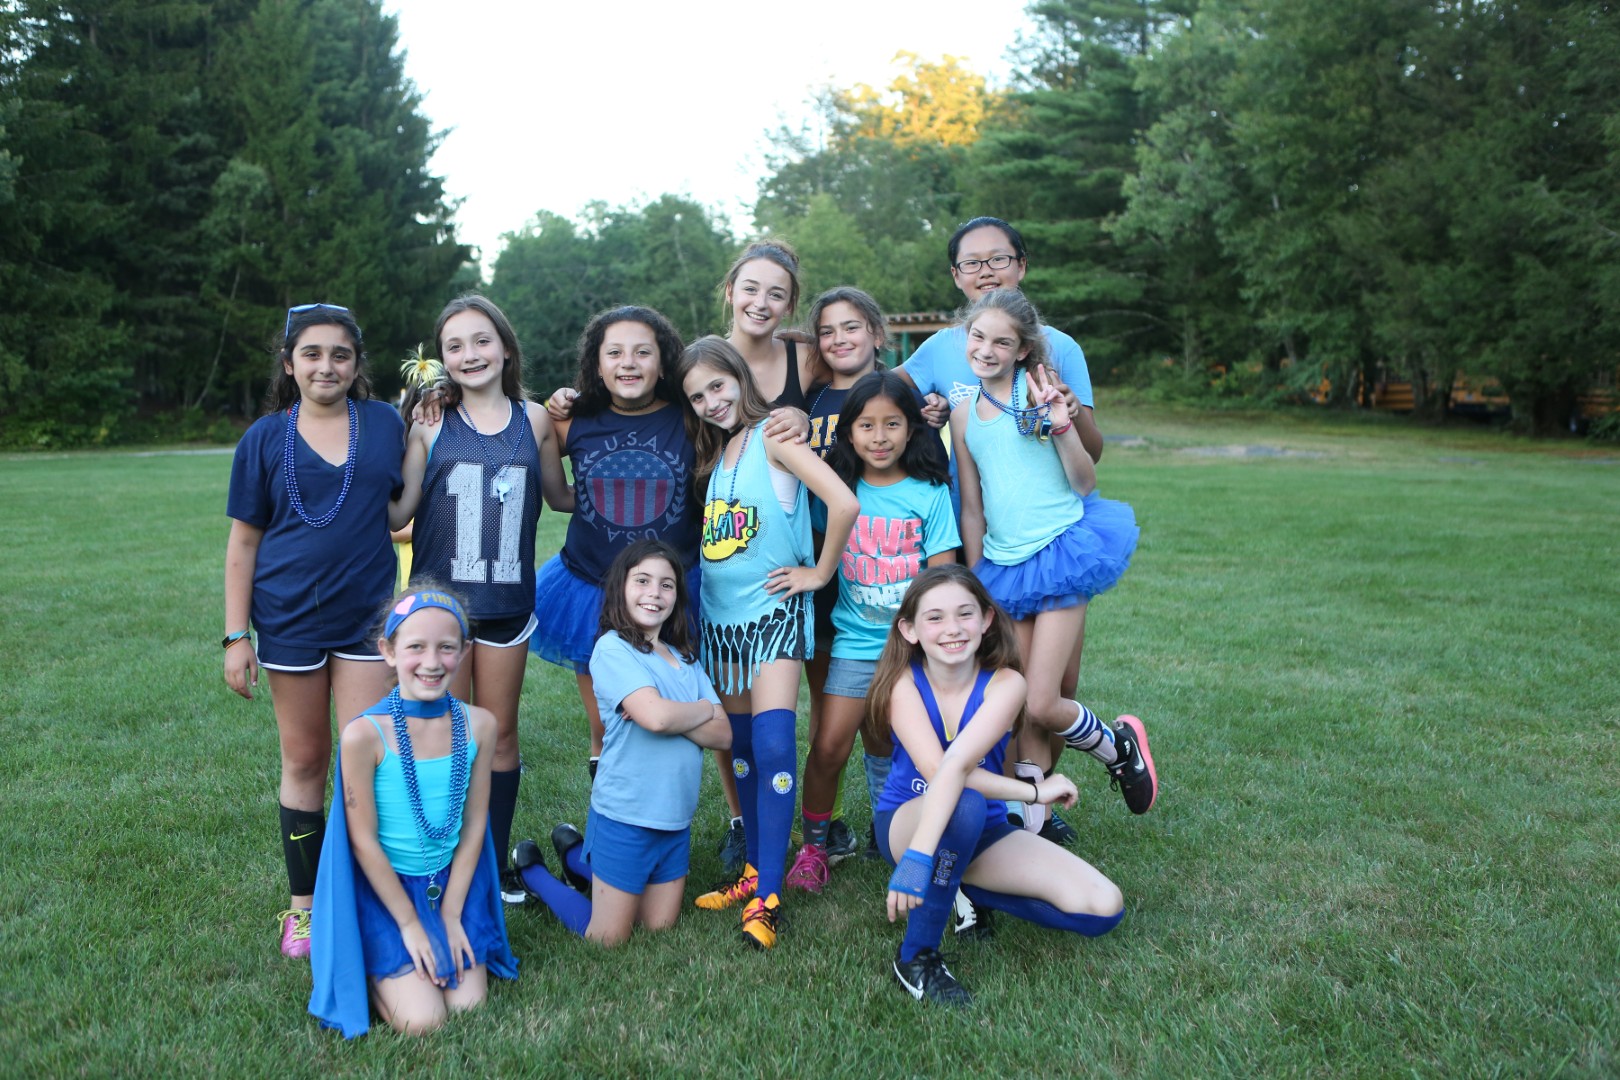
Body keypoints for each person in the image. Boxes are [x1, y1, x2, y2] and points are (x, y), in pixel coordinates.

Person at [534, 308, 808, 877]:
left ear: (664, 362)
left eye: (643, 351)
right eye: (614, 353)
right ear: (595, 365)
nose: (628, 363)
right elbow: (535, 453)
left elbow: (743, 418)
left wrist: (795, 417)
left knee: (718, 711)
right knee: (609, 722)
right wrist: (549, 403)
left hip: (681, 586)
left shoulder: (689, 414)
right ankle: (609, 831)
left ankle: (740, 821)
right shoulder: (574, 420)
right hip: (594, 588)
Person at [898, 216, 1105, 843]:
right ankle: (1024, 813)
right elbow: (887, 398)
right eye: (972, 262)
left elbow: (1090, 457)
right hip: (991, 549)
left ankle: (1056, 785)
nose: (985, 270)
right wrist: (925, 409)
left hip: (1056, 540)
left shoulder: (1056, 352)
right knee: (1006, 684)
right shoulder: (942, 353)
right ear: (955, 275)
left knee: (1055, 688)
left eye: (998, 258)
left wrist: (1064, 417)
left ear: (1021, 264)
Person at [224, 303, 404, 958]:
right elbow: (243, 544)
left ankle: (364, 895)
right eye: (312, 353)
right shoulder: (264, 439)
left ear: (356, 364)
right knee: (304, 760)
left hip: (366, 621)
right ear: (289, 363)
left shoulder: (384, 423)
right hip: (289, 618)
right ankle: (302, 908)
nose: (326, 366)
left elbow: (400, 509)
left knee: (366, 757)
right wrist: (235, 637)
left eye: (340, 354)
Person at [871, 565, 1125, 1007]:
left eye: (965, 614)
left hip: (984, 828)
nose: (952, 628)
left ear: (987, 619)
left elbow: (959, 766)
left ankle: (954, 882)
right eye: (935, 618)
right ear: (909, 629)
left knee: (1103, 906)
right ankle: (916, 956)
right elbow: (943, 772)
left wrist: (1033, 794)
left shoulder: (1007, 683)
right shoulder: (902, 682)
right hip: (908, 823)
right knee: (964, 804)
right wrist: (916, 859)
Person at [677, 336, 860, 949]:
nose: (711, 401)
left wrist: (820, 573)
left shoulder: (776, 437)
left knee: (775, 742)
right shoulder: (718, 453)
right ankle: (754, 871)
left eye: (718, 386)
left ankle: (769, 896)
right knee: (742, 748)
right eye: (697, 396)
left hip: (773, 618)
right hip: (722, 622)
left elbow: (843, 502)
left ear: (740, 378)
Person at [950, 289, 1156, 823]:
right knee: (1018, 704)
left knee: (1043, 701)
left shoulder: (1039, 391)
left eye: (1002, 342)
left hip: (1062, 553)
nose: (986, 350)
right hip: (1003, 567)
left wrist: (1062, 422)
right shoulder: (962, 415)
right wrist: (976, 578)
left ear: (1022, 350)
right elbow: (972, 507)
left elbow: (1085, 482)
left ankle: (1118, 746)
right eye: (978, 336)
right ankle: (1031, 822)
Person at [392, 295, 572, 904]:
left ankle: (489, 870)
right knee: (437, 734)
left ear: (506, 347)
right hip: (439, 611)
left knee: (497, 735)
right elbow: (398, 511)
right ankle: (434, 863)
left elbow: (561, 496)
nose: (470, 354)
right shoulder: (429, 421)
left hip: (507, 606)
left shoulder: (536, 420)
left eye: (481, 340)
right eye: (455, 345)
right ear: (442, 359)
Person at [308, 587, 517, 1037]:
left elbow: (474, 825)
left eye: (446, 647)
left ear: (465, 651)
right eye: (416, 647)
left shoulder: (480, 725)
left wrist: (451, 914)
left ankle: (431, 945)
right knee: (424, 1022)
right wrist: (409, 923)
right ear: (388, 651)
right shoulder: (364, 735)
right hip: (387, 892)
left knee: (470, 1008)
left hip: (451, 885)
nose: (432, 662)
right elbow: (362, 840)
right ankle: (373, 961)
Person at [785, 370, 959, 895]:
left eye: (892, 424)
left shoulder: (930, 494)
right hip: (855, 644)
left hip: (911, 652)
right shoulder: (835, 492)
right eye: (866, 425)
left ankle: (891, 835)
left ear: (912, 430)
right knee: (829, 747)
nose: (879, 437)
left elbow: (943, 579)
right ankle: (814, 847)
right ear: (848, 432)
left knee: (890, 745)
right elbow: (812, 544)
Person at [513, 540, 732, 946]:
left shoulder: (686, 658)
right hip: (625, 815)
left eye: (666, 585)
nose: (654, 593)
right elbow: (657, 718)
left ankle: (575, 855)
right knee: (608, 937)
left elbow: (723, 734)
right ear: (621, 588)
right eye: (642, 581)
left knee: (659, 926)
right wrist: (699, 709)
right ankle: (533, 873)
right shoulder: (613, 649)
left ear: (677, 596)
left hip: (674, 820)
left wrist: (667, 711)